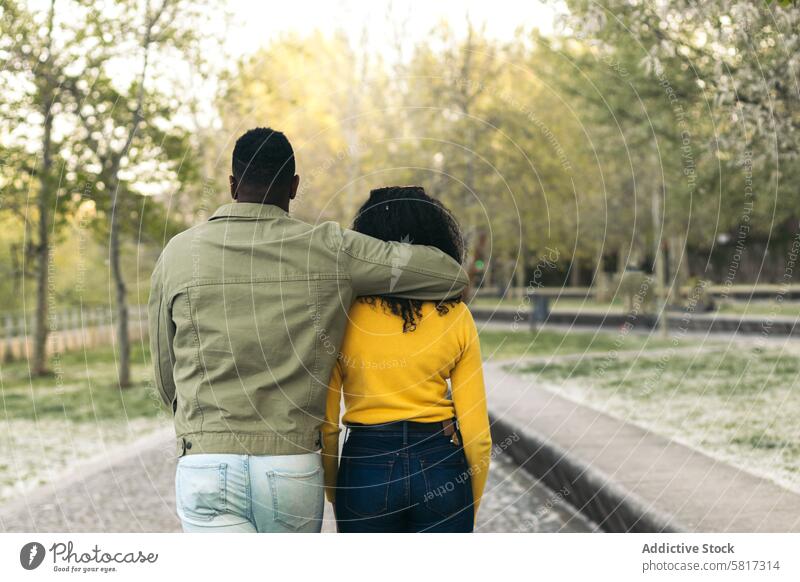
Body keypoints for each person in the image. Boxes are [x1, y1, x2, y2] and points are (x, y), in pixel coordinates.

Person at [148, 128, 468, 533]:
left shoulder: (178, 253)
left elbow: (164, 374)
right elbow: (449, 275)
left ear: (232, 184)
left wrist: (203, 424)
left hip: (207, 462)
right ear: (294, 186)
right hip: (291, 463)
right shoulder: (330, 249)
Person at [322, 186, 492, 533]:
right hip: (441, 463)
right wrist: (465, 503)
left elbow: (326, 424)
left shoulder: (343, 317)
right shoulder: (457, 316)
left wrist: (334, 489)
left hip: (365, 466)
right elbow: (478, 435)